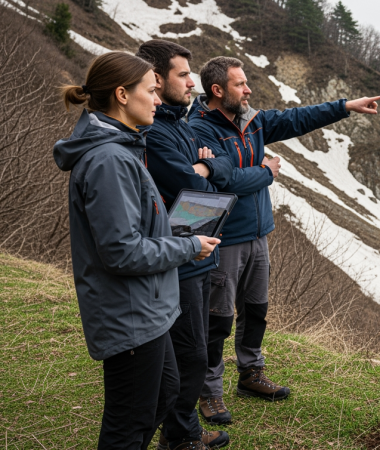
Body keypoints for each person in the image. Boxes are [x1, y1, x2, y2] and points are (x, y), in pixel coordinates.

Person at [188, 56, 380, 423]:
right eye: (240, 84)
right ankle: (209, 391)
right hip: (223, 240)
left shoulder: (252, 120)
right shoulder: (200, 129)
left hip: (258, 234)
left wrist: (346, 107)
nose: (248, 90)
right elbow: (222, 182)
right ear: (217, 91)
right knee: (216, 319)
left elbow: (297, 118)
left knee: (256, 310)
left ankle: (250, 374)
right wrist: (265, 172)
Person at [54, 52, 220, 450]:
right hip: (129, 314)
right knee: (128, 423)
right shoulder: (109, 159)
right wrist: (188, 245)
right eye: (151, 90)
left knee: (162, 395)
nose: (159, 100)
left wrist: (180, 236)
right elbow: (122, 252)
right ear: (122, 95)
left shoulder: (123, 147)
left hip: (147, 308)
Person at [136, 40, 231, 450]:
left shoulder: (180, 123)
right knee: (189, 353)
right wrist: (208, 171)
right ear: (156, 78)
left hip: (196, 248)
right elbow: (197, 187)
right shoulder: (157, 132)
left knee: (194, 348)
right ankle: (180, 436)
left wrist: (209, 165)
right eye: (182, 75)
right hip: (179, 255)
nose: (192, 83)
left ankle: (182, 430)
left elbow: (217, 170)